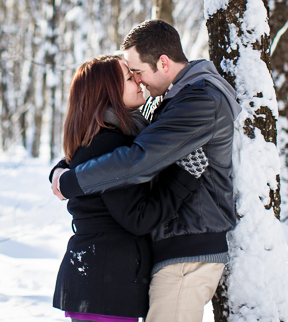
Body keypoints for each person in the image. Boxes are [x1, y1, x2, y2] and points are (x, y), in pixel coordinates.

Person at [51, 20, 242, 322]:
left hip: (187, 250)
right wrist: (63, 168)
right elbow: (115, 148)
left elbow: (138, 159)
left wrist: (72, 179)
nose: (138, 81)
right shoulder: (167, 100)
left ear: (163, 63)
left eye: (137, 72)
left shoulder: (200, 100)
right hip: (144, 262)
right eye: (131, 77)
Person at [50, 55, 201, 322]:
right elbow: (139, 218)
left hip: (97, 280)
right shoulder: (111, 145)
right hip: (105, 285)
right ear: (107, 93)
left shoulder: (101, 138)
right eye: (129, 78)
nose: (138, 80)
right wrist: (184, 175)